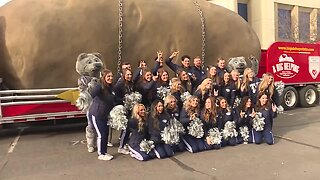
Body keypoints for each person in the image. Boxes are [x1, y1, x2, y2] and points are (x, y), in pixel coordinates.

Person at [88, 69, 116, 161]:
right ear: (103, 77)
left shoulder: (111, 87)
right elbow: (90, 95)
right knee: (101, 134)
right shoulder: (99, 86)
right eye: (108, 76)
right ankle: (101, 153)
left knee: (106, 133)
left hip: (105, 115)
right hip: (97, 114)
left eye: (111, 76)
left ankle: (104, 151)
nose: (110, 78)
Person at [114, 68, 134, 154]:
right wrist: (124, 99)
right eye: (127, 75)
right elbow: (115, 98)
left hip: (130, 108)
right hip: (123, 108)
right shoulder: (119, 85)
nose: (129, 76)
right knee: (126, 128)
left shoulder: (131, 83)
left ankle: (125, 143)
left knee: (128, 128)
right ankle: (121, 147)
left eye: (130, 74)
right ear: (123, 75)